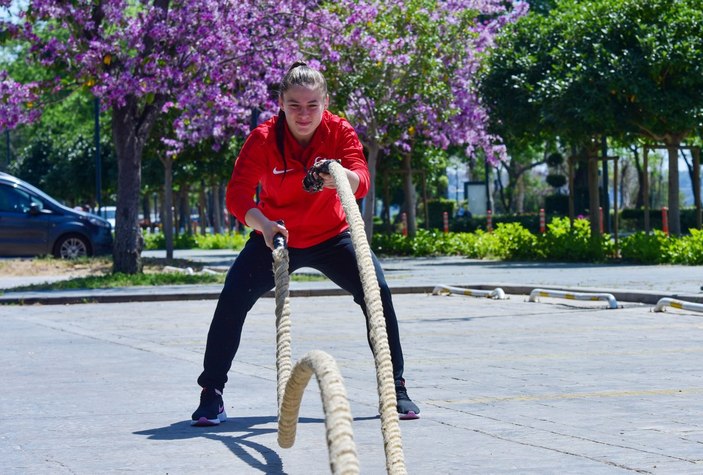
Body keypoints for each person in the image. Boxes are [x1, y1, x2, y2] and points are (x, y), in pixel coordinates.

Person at [191, 62, 420, 426]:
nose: (303, 113)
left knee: (377, 291)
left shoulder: (340, 130)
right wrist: (264, 225)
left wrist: (338, 175)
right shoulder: (262, 139)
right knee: (233, 296)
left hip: (333, 236)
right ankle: (211, 393)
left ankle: (396, 389)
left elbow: (361, 179)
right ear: (281, 103)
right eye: (295, 104)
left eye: (313, 105)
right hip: (276, 235)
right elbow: (236, 197)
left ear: (325, 103)